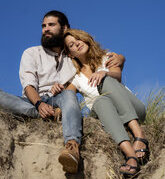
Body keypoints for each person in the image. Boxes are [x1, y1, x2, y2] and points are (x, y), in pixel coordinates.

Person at [0, 10, 125, 174]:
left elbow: (98, 57)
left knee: (68, 95)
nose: (46, 29)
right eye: (43, 26)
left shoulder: (73, 57)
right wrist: (38, 104)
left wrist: (120, 58)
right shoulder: (31, 53)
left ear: (64, 28)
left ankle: (72, 146)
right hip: (32, 102)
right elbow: (28, 85)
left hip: (60, 99)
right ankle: (52, 114)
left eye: (51, 25)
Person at [53, 28, 149, 177]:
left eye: (78, 39)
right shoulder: (76, 78)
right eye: (71, 45)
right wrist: (57, 90)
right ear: (71, 54)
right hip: (108, 116)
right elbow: (67, 96)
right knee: (100, 101)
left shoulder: (107, 57)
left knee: (106, 81)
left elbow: (117, 75)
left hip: (132, 109)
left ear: (86, 39)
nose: (77, 44)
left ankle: (139, 135)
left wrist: (104, 72)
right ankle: (131, 156)